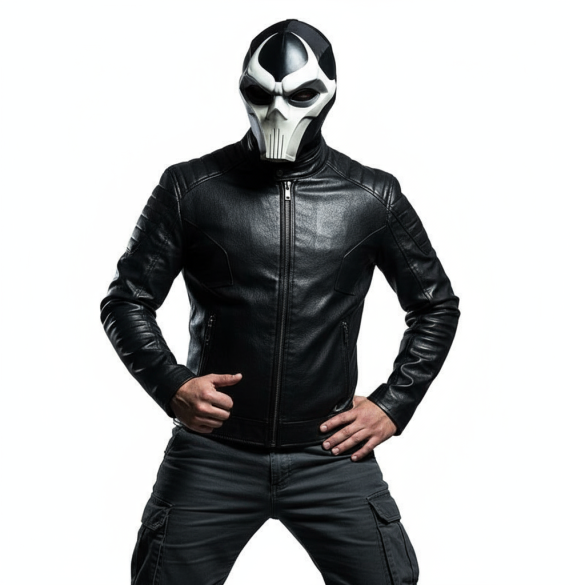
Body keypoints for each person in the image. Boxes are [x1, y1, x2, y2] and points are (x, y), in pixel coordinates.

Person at [100, 19, 460, 585]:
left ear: (329, 94)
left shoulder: (372, 196)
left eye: (297, 96)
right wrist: (172, 385)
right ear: (242, 88)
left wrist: (394, 404)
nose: (276, 112)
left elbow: (435, 305)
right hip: (213, 450)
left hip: (330, 451)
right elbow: (127, 300)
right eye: (261, 94)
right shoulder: (190, 187)